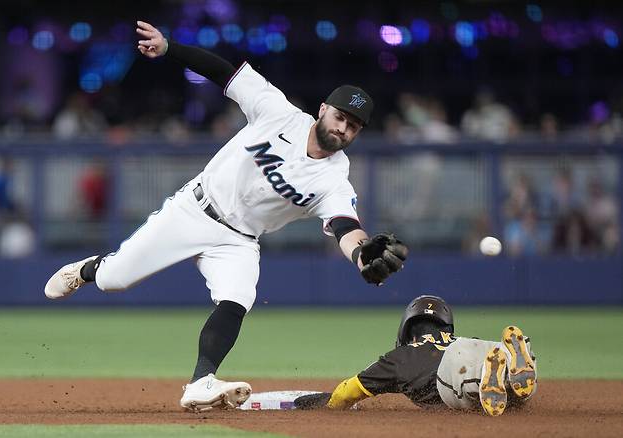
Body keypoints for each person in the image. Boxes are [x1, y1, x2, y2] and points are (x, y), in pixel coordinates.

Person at [44, 20, 408, 413]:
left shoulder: (335, 177)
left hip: (240, 239)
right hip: (195, 209)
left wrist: (362, 256)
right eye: (340, 116)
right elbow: (223, 72)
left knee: (237, 297)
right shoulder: (277, 111)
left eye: (353, 126)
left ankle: (200, 382)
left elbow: (345, 227)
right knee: (115, 280)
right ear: (323, 110)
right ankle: (88, 270)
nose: (344, 128)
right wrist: (170, 48)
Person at [294, 295, 537, 416]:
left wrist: (330, 405)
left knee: (462, 384)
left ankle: (486, 375)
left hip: (454, 368)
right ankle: (512, 360)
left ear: (407, 329)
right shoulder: (458, 340)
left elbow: (348, 391)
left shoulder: (400, 357)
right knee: (513, 392)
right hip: (477, 346)